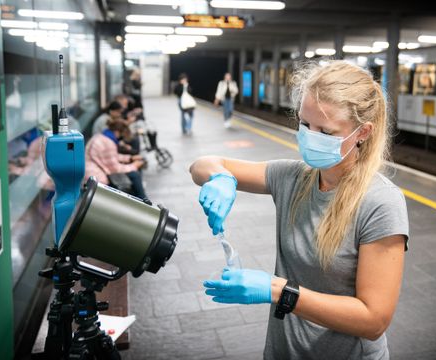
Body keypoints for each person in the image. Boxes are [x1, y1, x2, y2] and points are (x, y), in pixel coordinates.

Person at [190, 61, 409, 359]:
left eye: (325, 131)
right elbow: (201, 165)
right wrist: (220, 178)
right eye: (305, 125)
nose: (310, 136)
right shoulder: (293, 177)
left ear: (362, 132)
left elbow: (373, 320)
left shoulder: (381, 203)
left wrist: (279, 292)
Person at [85, 119, 147, 200]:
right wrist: (134, 165)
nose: (121, 139)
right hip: (98, 179)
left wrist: (130, 158)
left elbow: (111, 156)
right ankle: (143, 200)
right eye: (122, 135)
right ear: (117, 132)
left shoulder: (100, 136)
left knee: (133, 176)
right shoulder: (109, 143)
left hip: (89, 174)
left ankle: (142, 198)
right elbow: (115, 168)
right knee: (135, 175)